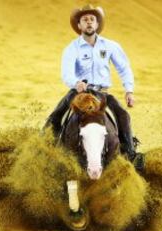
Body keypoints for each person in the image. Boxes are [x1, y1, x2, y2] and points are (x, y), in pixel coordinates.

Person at [45, 4, 144, 168]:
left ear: (97, 24)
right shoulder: (71, 48)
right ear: (79, 25)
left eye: (92, 19)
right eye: (85, 20)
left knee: (123, 116)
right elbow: (66, 73)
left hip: (102, 94)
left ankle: (130, 155)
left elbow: (124, 68)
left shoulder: (110, 46)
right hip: (78, 94)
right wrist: (76, 83)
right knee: (56, 116)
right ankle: (44, 150)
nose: (89, 22)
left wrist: (129, 90)